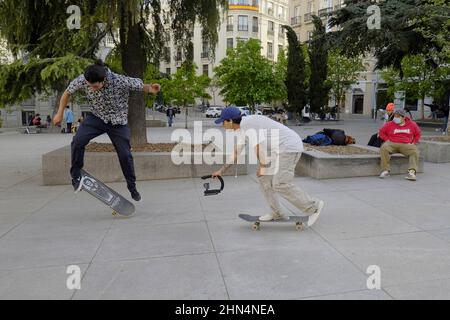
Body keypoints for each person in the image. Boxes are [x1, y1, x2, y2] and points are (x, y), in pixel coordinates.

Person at [53, 60, 161, 201]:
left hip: (118, 123)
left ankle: (132, 187)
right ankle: (76, 176)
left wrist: (151, 89)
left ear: (103, 80)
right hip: (97, 118)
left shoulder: (119, 81)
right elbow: (67, 93)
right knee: (78, 141)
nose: (92, 89)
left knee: (125, 155)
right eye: (89, 86)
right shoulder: (83, 79)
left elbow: (140, 86)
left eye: (95, 86)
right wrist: (60, 113)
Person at [211, 107, 324, 224]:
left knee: (280, 183)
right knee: (264, 178)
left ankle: (313, 206)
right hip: (278, 150)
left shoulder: (248, 124)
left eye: (223, 122)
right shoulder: (241, 128)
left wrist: (263, 167)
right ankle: (277, 213)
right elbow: (236, 152)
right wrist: (221, 171)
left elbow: (259, 148)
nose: (222, 126)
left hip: (289, 147)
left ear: (230, 120)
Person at [378, 109, 421, 181]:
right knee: (384, 147)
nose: (395, 118)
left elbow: (418, 134)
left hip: (406, 144)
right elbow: (381, 132)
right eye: (394, 116)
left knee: (414, 150)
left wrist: (413, 142)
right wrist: (387, 139)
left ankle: (412, 172)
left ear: (403, 117)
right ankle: (385, 170)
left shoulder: (412, 124)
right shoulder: (390, 124)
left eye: (397, 116)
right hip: (392, 143)